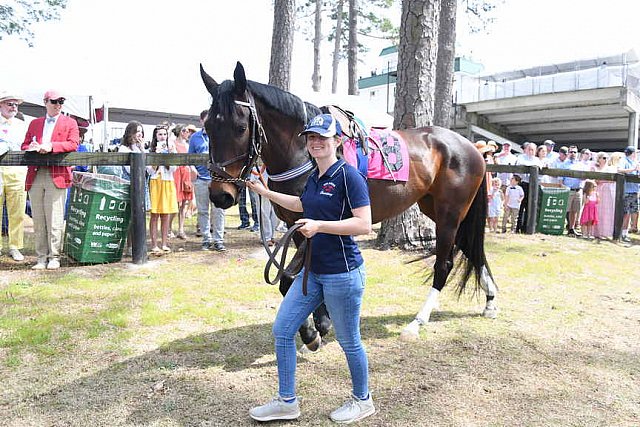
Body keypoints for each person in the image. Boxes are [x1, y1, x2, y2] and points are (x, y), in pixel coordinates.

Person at [246, 113, 374, 424]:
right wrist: (264, 192)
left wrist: (320, 227)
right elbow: (302, 205)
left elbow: (364, 224)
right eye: (311, 137)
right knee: (283, 329)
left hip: (342, 274)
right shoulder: (315, 177)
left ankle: (363, 399)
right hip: (312, 272)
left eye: (322, 137)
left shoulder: (349, 177)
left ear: (338, 141)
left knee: (349, 340)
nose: (315, 142)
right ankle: (287, 401)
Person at [21, 90, 79, 270]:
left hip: (57, 174)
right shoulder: (35, 123)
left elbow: (73, 144)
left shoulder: (70, 122)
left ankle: (54, 257)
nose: (58, 104)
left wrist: (51, 146)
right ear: (45, 102)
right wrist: (31, 147)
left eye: (61, 101)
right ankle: (41, 257)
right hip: (36, 174)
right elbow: (23, 145)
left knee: (55, 218)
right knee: (38, 219)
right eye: (54, 101)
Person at [188, 110, 226, 251]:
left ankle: (219, 240)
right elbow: (189, 157)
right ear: (201, 121)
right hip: (201, 179)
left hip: (217, 179)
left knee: (219, 210)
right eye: (207, 120)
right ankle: (206, 239)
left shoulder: (220, 136)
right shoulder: (195, 138)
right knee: (203, 210)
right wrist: (192, 168)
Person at [0, 90, 28, 262]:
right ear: (1, 104)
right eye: (10, 103)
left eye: (16, 104)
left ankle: (15, 246)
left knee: (17, 211)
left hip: (17, 171)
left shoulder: (21, 125)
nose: (13, 107)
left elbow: (24, 145)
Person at [148, 125, 178, 255]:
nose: (162, 137)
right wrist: (157, 157)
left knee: (166, 214)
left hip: (167, 181)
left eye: (164, 134)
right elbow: (149, 170)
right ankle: (154, 244)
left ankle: (165, 243)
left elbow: (174, 169)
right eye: (160, 134)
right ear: (155, 136)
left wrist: (168, 158)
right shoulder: (151, 150)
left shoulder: (172, 149)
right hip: (155, 181)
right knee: (154, 214)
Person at [170, 124, 193, 240]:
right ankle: (169, 228)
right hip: (176, 173)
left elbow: (189, 160)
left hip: (185, 173)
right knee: (175, 202)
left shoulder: (187, 145)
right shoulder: (172, 143)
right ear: (180, 132)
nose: (187, 133)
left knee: (184, 203)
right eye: (185, 131)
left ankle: (181, 229)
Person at [514, 142, 541, 233]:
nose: (530, 151)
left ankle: (526, 228)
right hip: (523, 184)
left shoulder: (537, 159)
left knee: (530, 206)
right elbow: (521, 166)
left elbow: (539, 166)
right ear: (526, 150)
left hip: (532, 185)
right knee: (520, 206)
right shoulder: (521, 157)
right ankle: (517, 227)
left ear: (535, 151)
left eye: (532, 149)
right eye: (529, 149)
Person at [617, 146, 640, 243]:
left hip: (634, 191)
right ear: (632, 153)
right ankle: (621, 234)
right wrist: (632, 169)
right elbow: (619, 170)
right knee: (625, 214)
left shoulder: (635, 162)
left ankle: (626, 232)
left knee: (633, 212)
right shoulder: (623, 160)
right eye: (635, 152)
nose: (636, 154)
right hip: (626, 191)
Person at [593, 152, 615, 239]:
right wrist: (601, 181)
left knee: (606, 212)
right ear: (599, 159)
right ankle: (595, 232)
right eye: (603, 158)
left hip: (606, 191)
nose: (605, 160)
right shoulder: (595, 168)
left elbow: (613, 180)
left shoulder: (610, 168)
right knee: (596, 210)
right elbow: (594, 179)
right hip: (597, 190)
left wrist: (601, 181)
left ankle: (605, 232)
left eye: (606, 158)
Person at [563, 145, 583, 236]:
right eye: (571, 152)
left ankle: (571, 229)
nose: (573, 154)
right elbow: (560, 179)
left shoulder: (580, 164)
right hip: (568, 189)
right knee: (564, 210)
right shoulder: (564, 164)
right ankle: (561, 227)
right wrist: (564, 189)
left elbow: (584, 177)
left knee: (574, 210)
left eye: (575, 152)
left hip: (578, 190)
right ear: (568, 153)